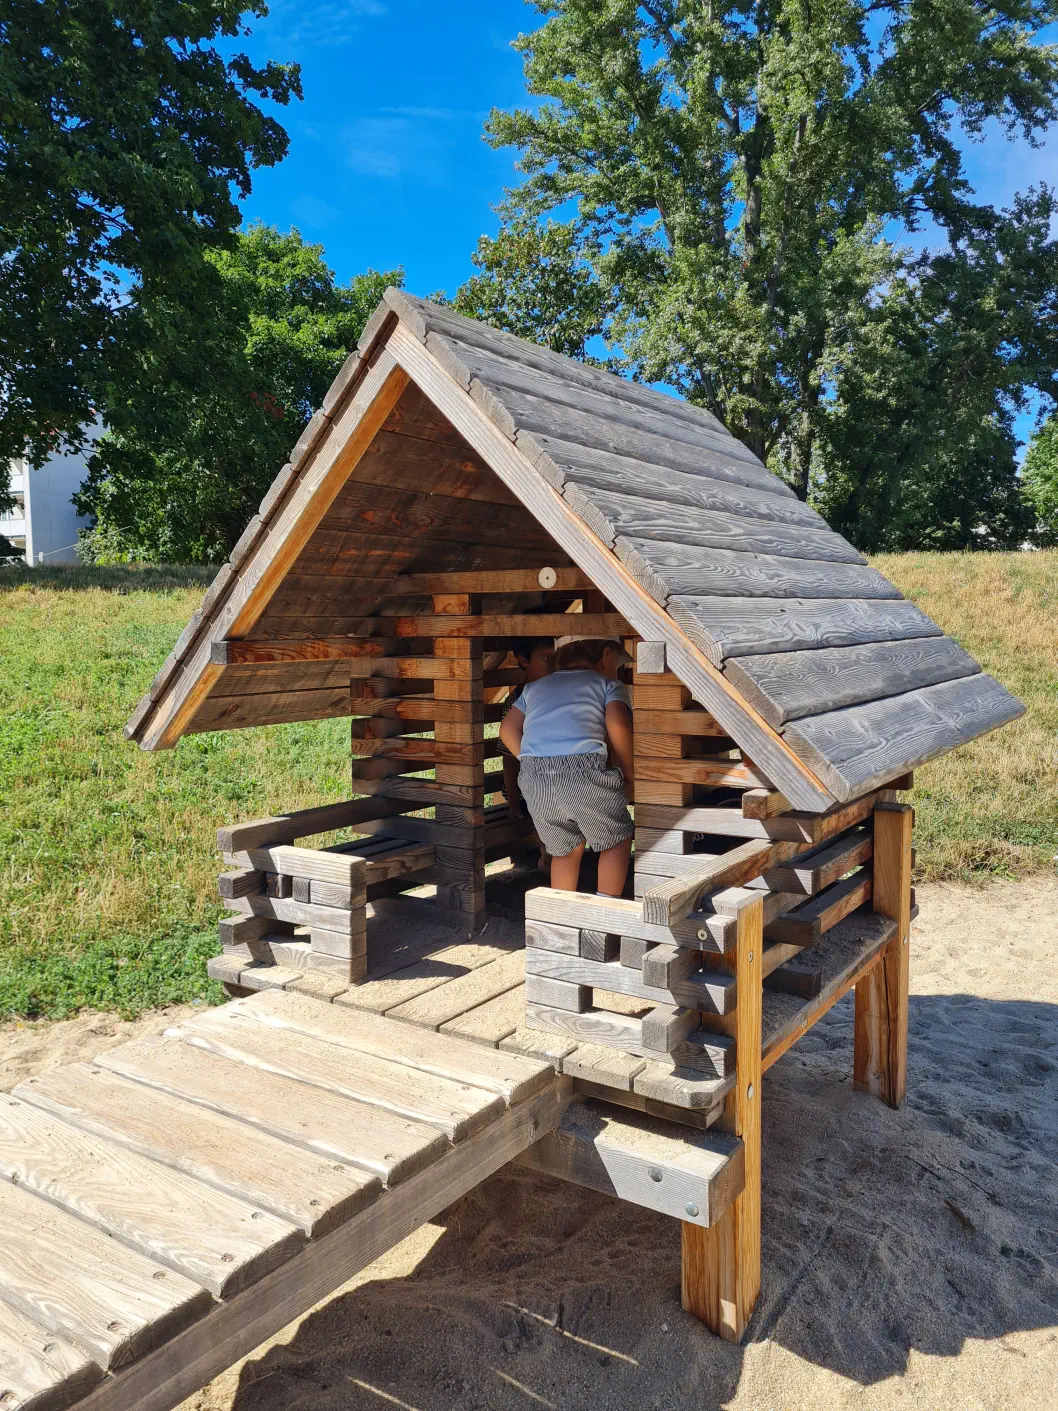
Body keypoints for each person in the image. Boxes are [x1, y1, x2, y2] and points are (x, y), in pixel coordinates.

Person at [498, 635, 634, 897]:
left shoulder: (534, 688)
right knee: (616, 839)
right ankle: (606, 910)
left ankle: (563, 917)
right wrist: (630, 772)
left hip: (535, 780)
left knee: (563, 850)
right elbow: (618, 725)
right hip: (583, 772)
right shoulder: (608, 684)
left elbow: (507, 729)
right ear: (606, 657)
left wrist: (529, 759)